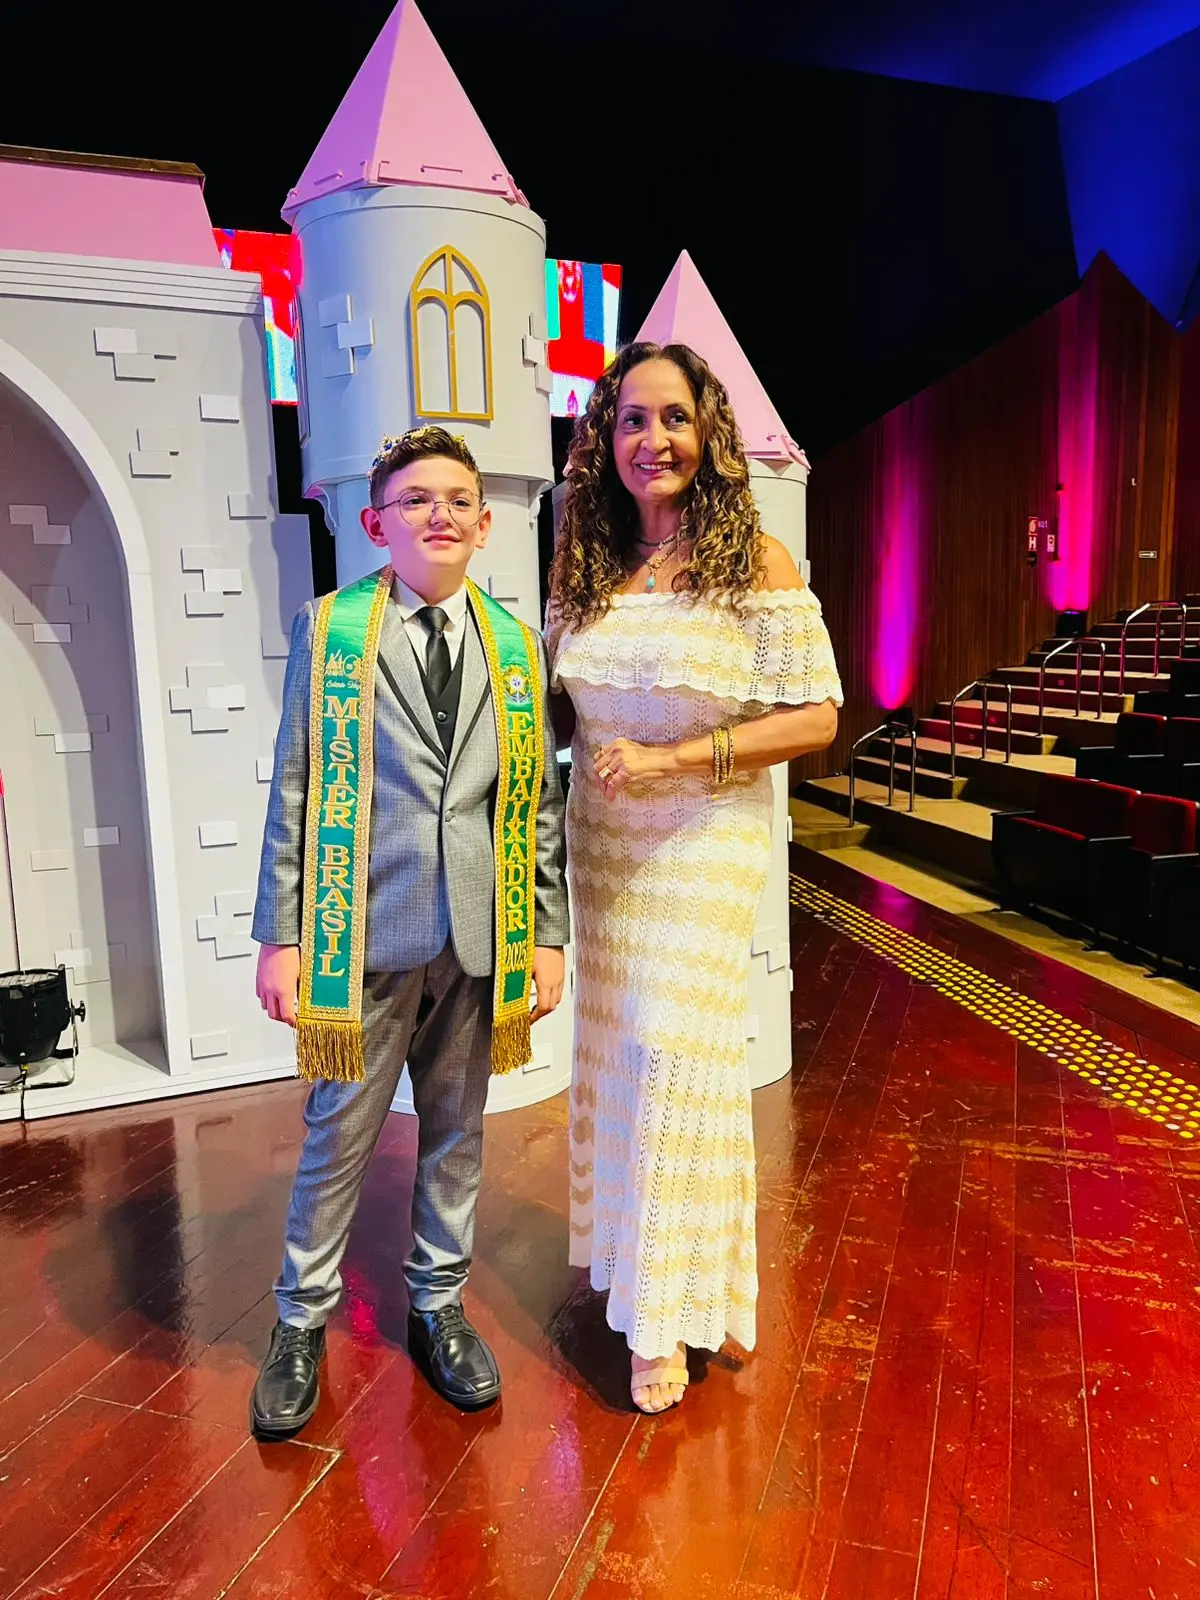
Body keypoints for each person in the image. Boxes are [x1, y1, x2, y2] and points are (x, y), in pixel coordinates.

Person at [250, 425, 569, 1435]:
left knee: (458, 1133)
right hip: (360, 928)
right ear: (374, 521)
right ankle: (300, 1320)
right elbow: (296, 788)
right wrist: (281, 934)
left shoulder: (516, 647)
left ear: (484, 522)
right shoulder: (332, 631)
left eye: (459, 498)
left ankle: (438, 1304)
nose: (441, 514)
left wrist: (546, 933)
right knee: (338, 1134)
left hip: (480, 933)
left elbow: (536, 806)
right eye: (416, 498)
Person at [547, 342, 842, 1414]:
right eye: (631, 419)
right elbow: (559, 710)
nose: (652, 439)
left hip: (708, 836)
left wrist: (676, 759)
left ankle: (665, 1318)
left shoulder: (754, 561)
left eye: (673, 417)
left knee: (675, 1051)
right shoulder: (583, 565)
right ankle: (645, 1266)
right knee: (625, 1055)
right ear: (605, 438)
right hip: (607, 848)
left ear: (708, 431)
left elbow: (816, 717)